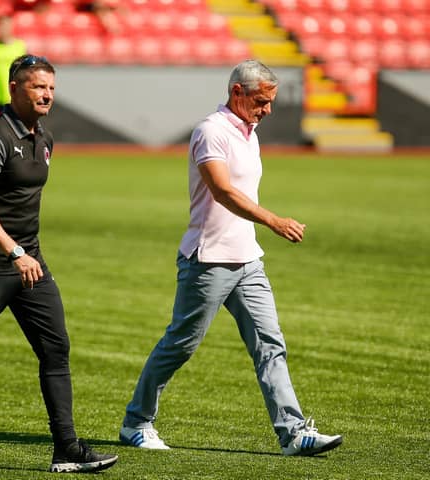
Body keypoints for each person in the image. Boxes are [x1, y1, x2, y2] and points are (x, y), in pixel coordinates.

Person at [119, 60, 343, 457]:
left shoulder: (249, 131)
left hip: (247, 260)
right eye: (261, 101)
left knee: (270, 344)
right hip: (209, 260)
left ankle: (292, 432)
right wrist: (273, 221)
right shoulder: (211, 131)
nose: (268, 110)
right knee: (180, 345)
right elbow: (221, 191)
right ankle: (136, 422)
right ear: (237, 92)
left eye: (271, 102)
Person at [0, 54, 118, 474]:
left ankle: (66, 448)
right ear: (15, 88)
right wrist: (13, 253)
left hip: (31, 263)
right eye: (38, 87)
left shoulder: (45, 137)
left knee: (56, 348)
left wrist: (26, 254)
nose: (47, 95)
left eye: (51, 88)